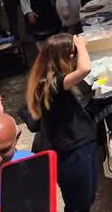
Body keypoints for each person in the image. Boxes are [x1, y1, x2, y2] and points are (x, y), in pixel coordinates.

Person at [25, 33, 97, 212]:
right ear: (66, 57)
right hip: (72, 153)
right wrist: (81, 46)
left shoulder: (54, 79)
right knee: (79, 205)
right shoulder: (49, 84)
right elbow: (85, 69)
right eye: (75, 53)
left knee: (87, 198)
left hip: (80, 147)